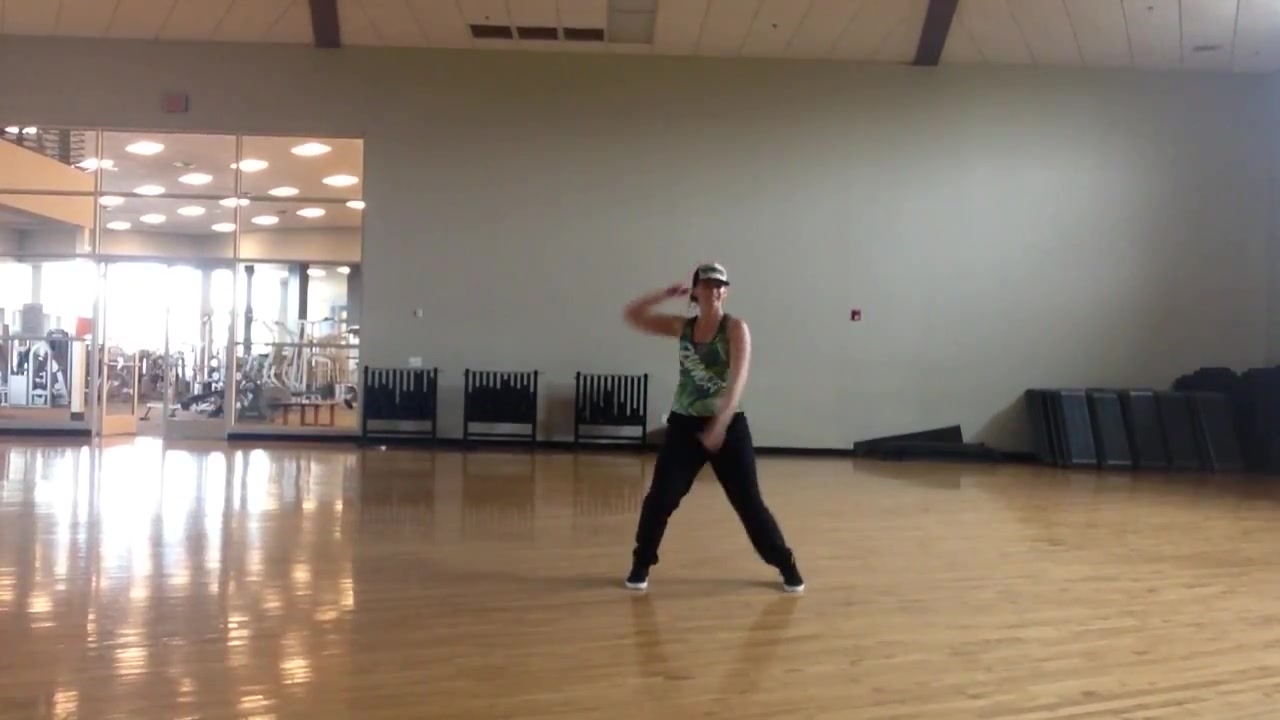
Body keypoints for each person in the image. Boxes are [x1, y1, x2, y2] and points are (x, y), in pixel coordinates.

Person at [621, 262, 805, 593]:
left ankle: (786, 564)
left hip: (729, 426)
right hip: (684, 426)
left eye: (720, 285)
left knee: (749, 504)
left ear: (725, 291)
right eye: (707, 284)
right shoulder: (683, 327)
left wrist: (720, 424)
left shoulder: (735, 328)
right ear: (696, 291)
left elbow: (737, 381)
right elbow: (633, 315)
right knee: (660, 499)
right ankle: (641, 564)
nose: (715, 290)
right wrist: (665, 294)